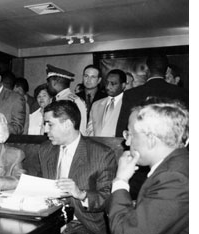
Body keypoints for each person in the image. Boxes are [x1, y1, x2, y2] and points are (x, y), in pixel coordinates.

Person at [106, 99, 188, 234]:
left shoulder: (173, 177)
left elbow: (126, 231)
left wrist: (121, 180)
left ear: (151, 140)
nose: (127, 142)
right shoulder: (178, 163)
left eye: (131, 135)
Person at [39, 100, 117, 234]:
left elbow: (108, 198)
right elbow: (39, 183)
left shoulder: (101, 154)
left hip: (83, 224)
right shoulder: (46, 149)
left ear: (67, 124)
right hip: (48, 221)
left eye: (49, 124)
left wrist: (81, 194)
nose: (45, 130)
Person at [116, 53, 189, 137]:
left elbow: (122, 128)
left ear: (147, 70)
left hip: (141, 144)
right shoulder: (182, 93)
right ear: (166, 71)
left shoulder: (131, 94)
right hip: (172, 145)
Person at [45, 64, 87, 135]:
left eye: (48, 82)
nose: (47, 85)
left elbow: (80, 129)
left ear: (54, 82)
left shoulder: (74, 101)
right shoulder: (54, 100)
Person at [87, 69, 126, 137]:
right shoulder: (96, 105)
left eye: (113, 84)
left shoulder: (128, 104)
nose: (108, 86)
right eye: (107, 83)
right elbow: (90, 131)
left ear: (123, 85)